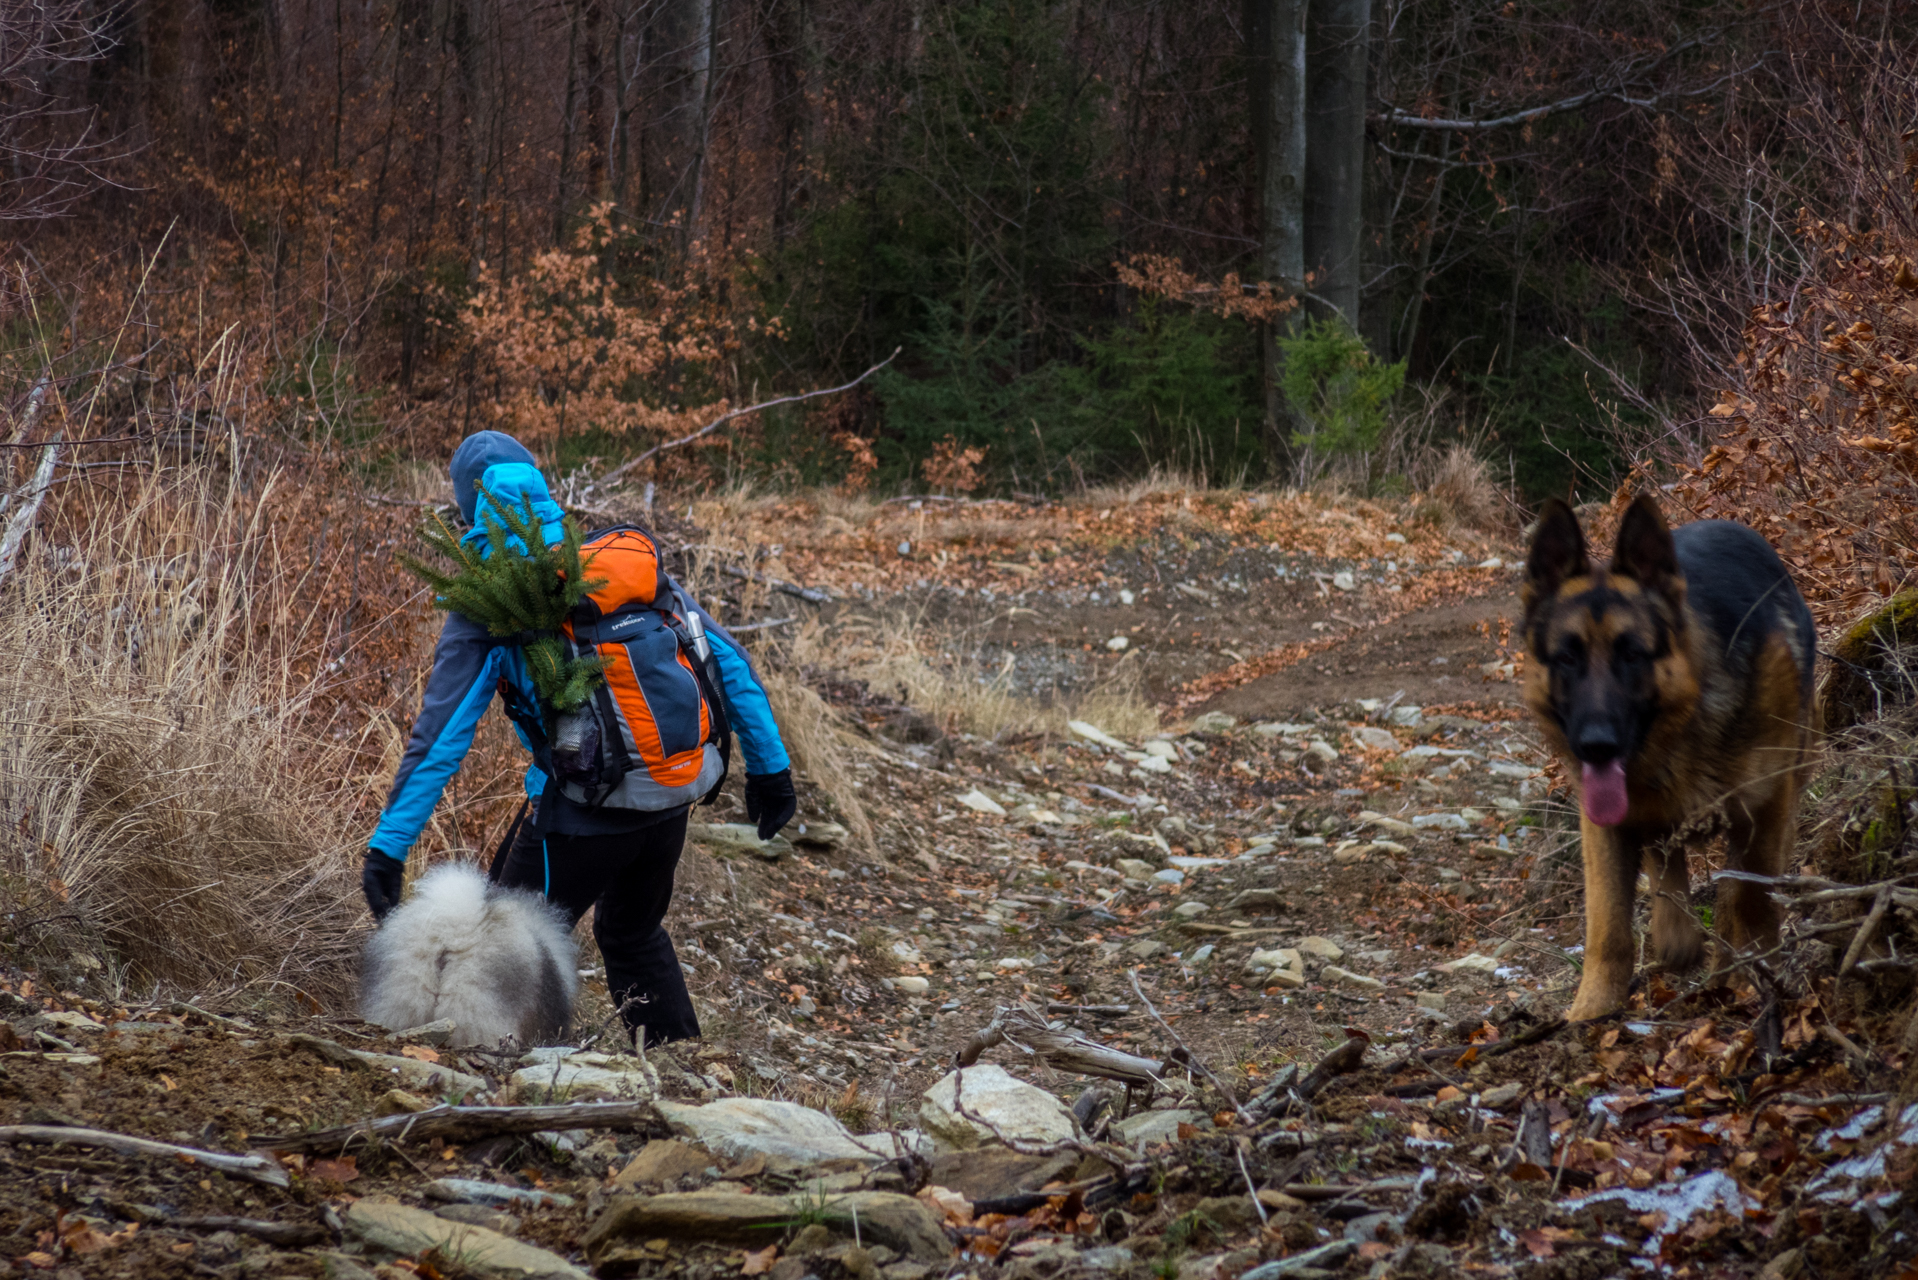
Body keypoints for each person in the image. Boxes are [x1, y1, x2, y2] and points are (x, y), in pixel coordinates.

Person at [363, 430, 796, 1047]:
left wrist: (389, 845)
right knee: (633, 931)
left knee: (511, 942)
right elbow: (731, 662)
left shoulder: (491, 602)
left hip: (580, 816)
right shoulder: (618, 568)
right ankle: (682, 1070)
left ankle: (526, 1074)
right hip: (670, 796)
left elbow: (440, 737)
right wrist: (772, 772)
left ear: (467, 509)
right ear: (542, 490)